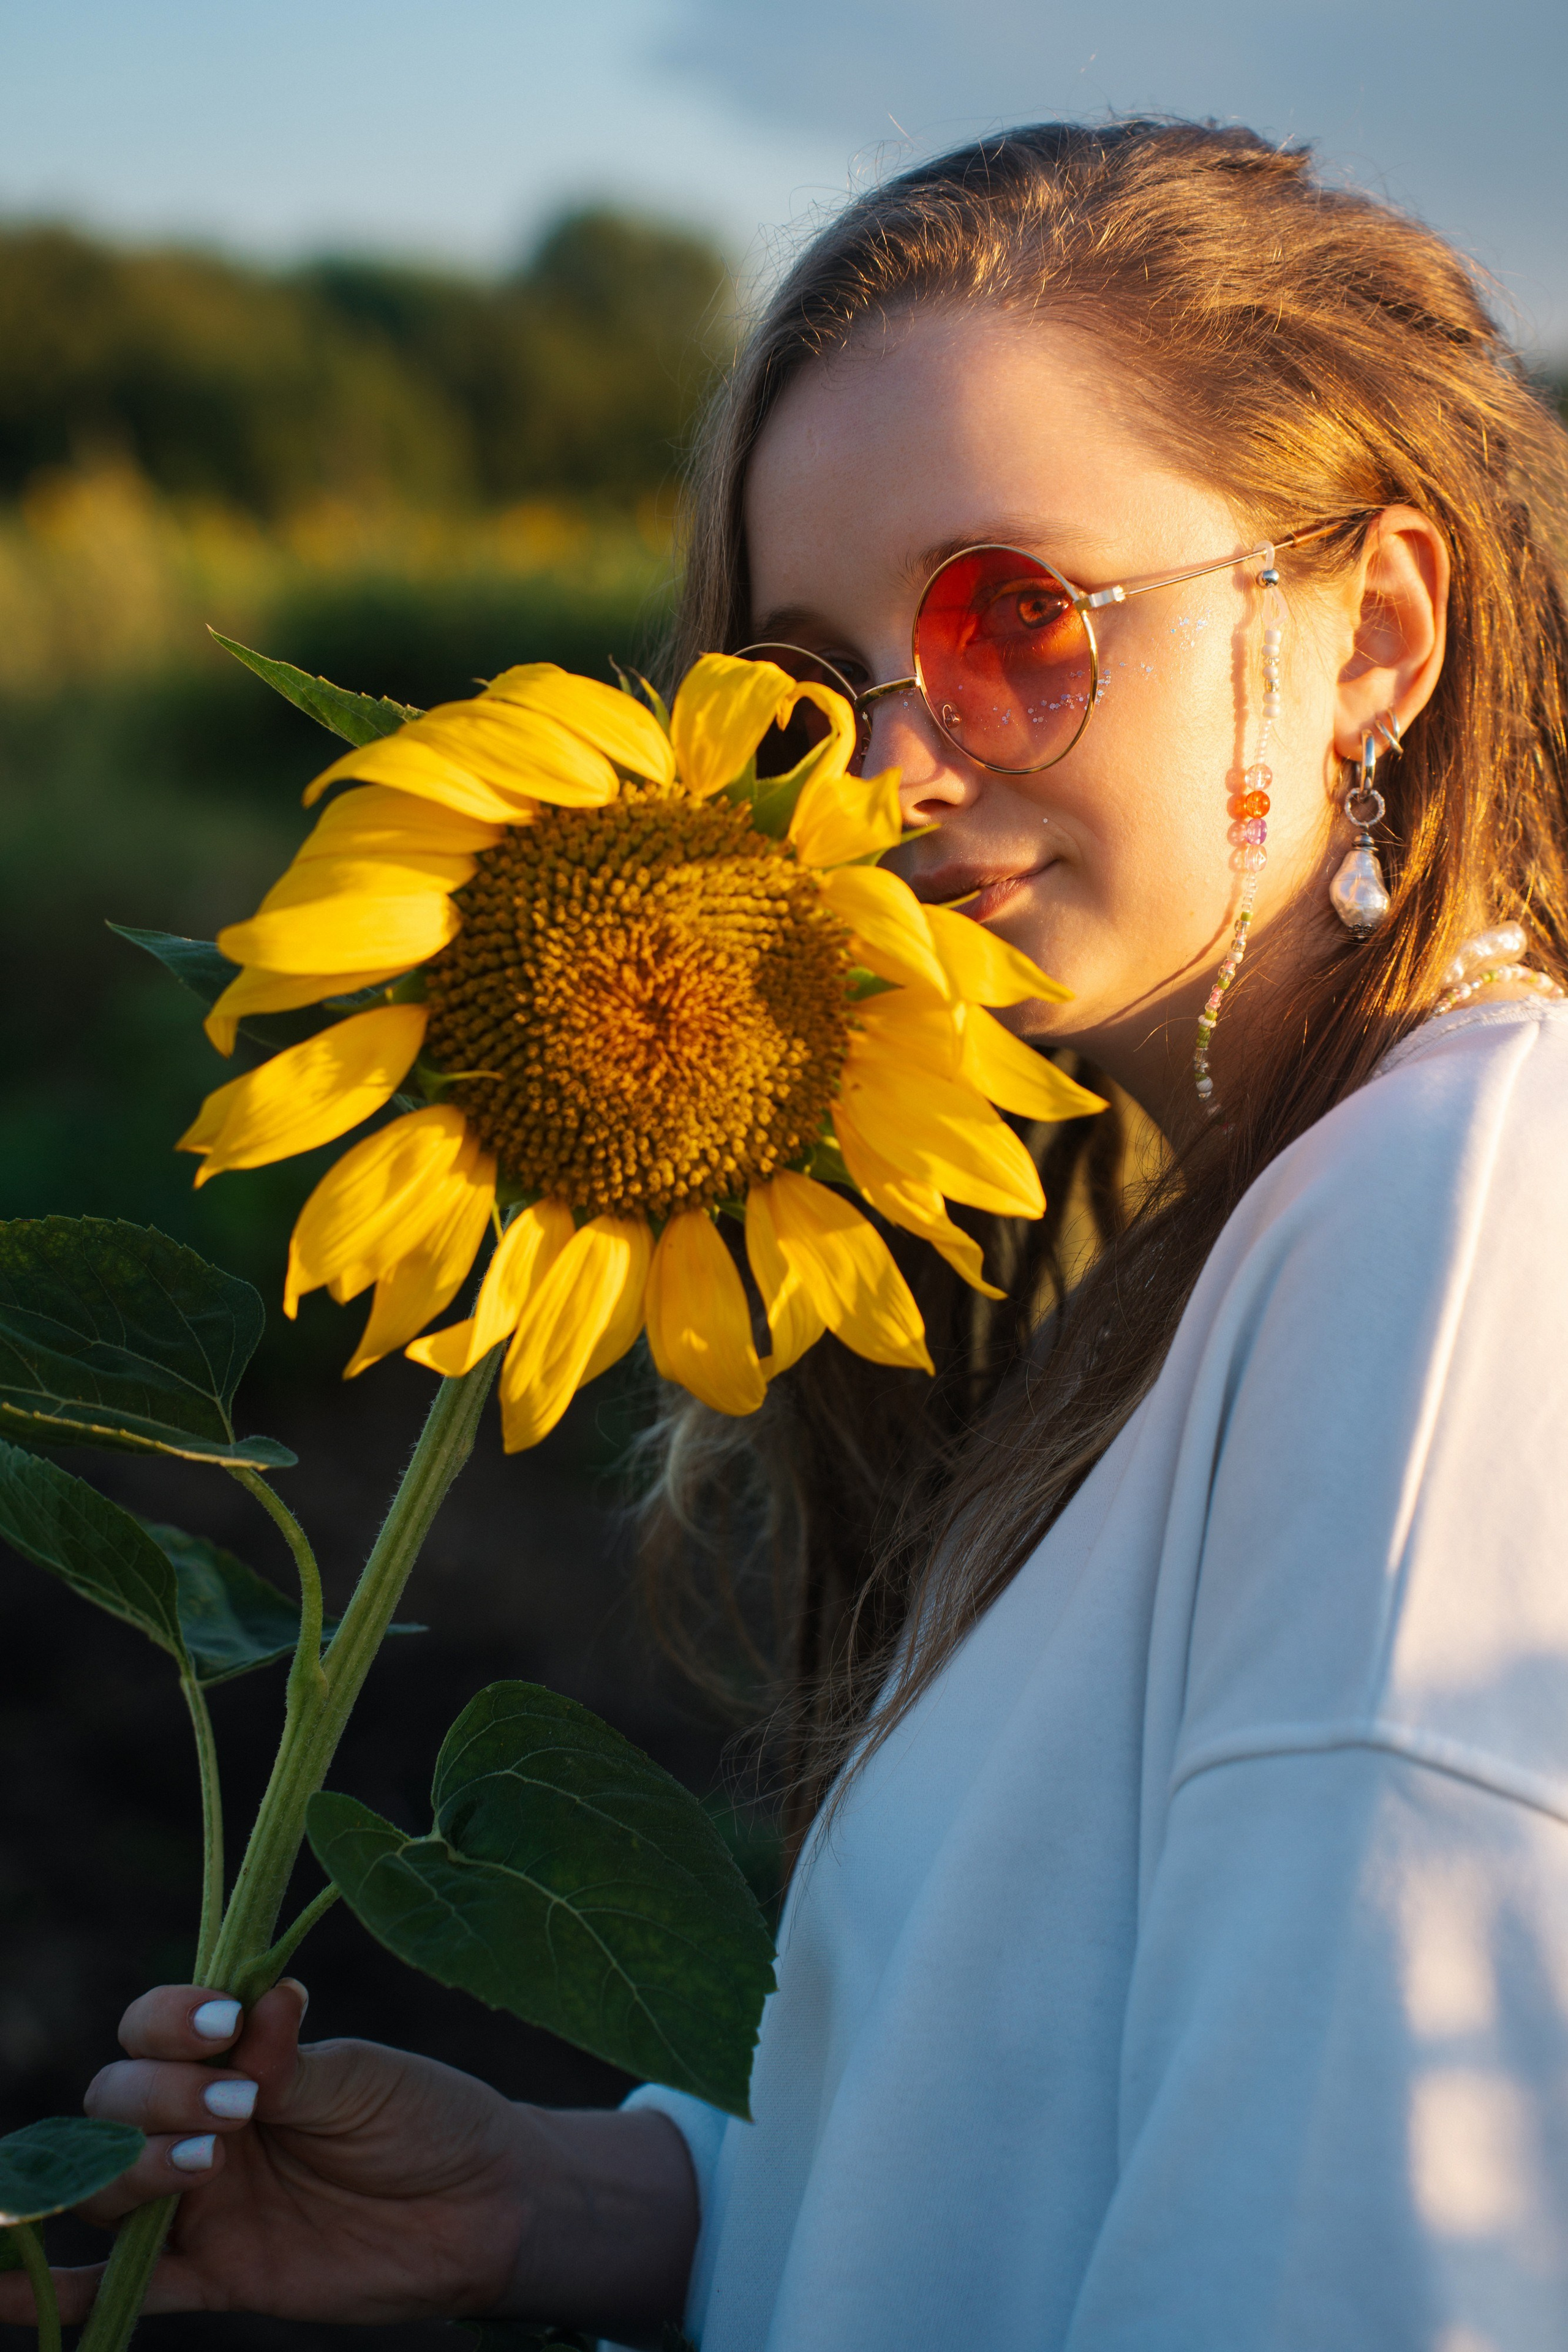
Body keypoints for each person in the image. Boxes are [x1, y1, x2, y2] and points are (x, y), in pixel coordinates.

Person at [9, 116, 1568, 2350]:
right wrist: (583, 2204)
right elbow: (1074, 2127)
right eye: (809, 683)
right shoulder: (1222, 1243)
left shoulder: (1471, 1212)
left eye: (1014, 619)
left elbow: (1353, 2260)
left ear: (1373, 637)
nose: (885, 777)